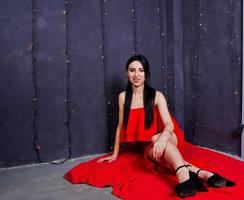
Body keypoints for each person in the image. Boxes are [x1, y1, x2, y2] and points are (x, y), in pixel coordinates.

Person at [97, 55, 234, 198]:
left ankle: (183, 176)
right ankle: (204, 174)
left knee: (156, 138)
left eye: (141, 70)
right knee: (159, 154)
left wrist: (162, 139)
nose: (136, 74)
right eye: (132, 70)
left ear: (146, 74)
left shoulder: (156, 95)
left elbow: (169, 124)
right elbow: (120, 126)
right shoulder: (123, 97)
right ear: (127, 73)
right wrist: (115, 154)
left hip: (170, 136)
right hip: (151, 144)